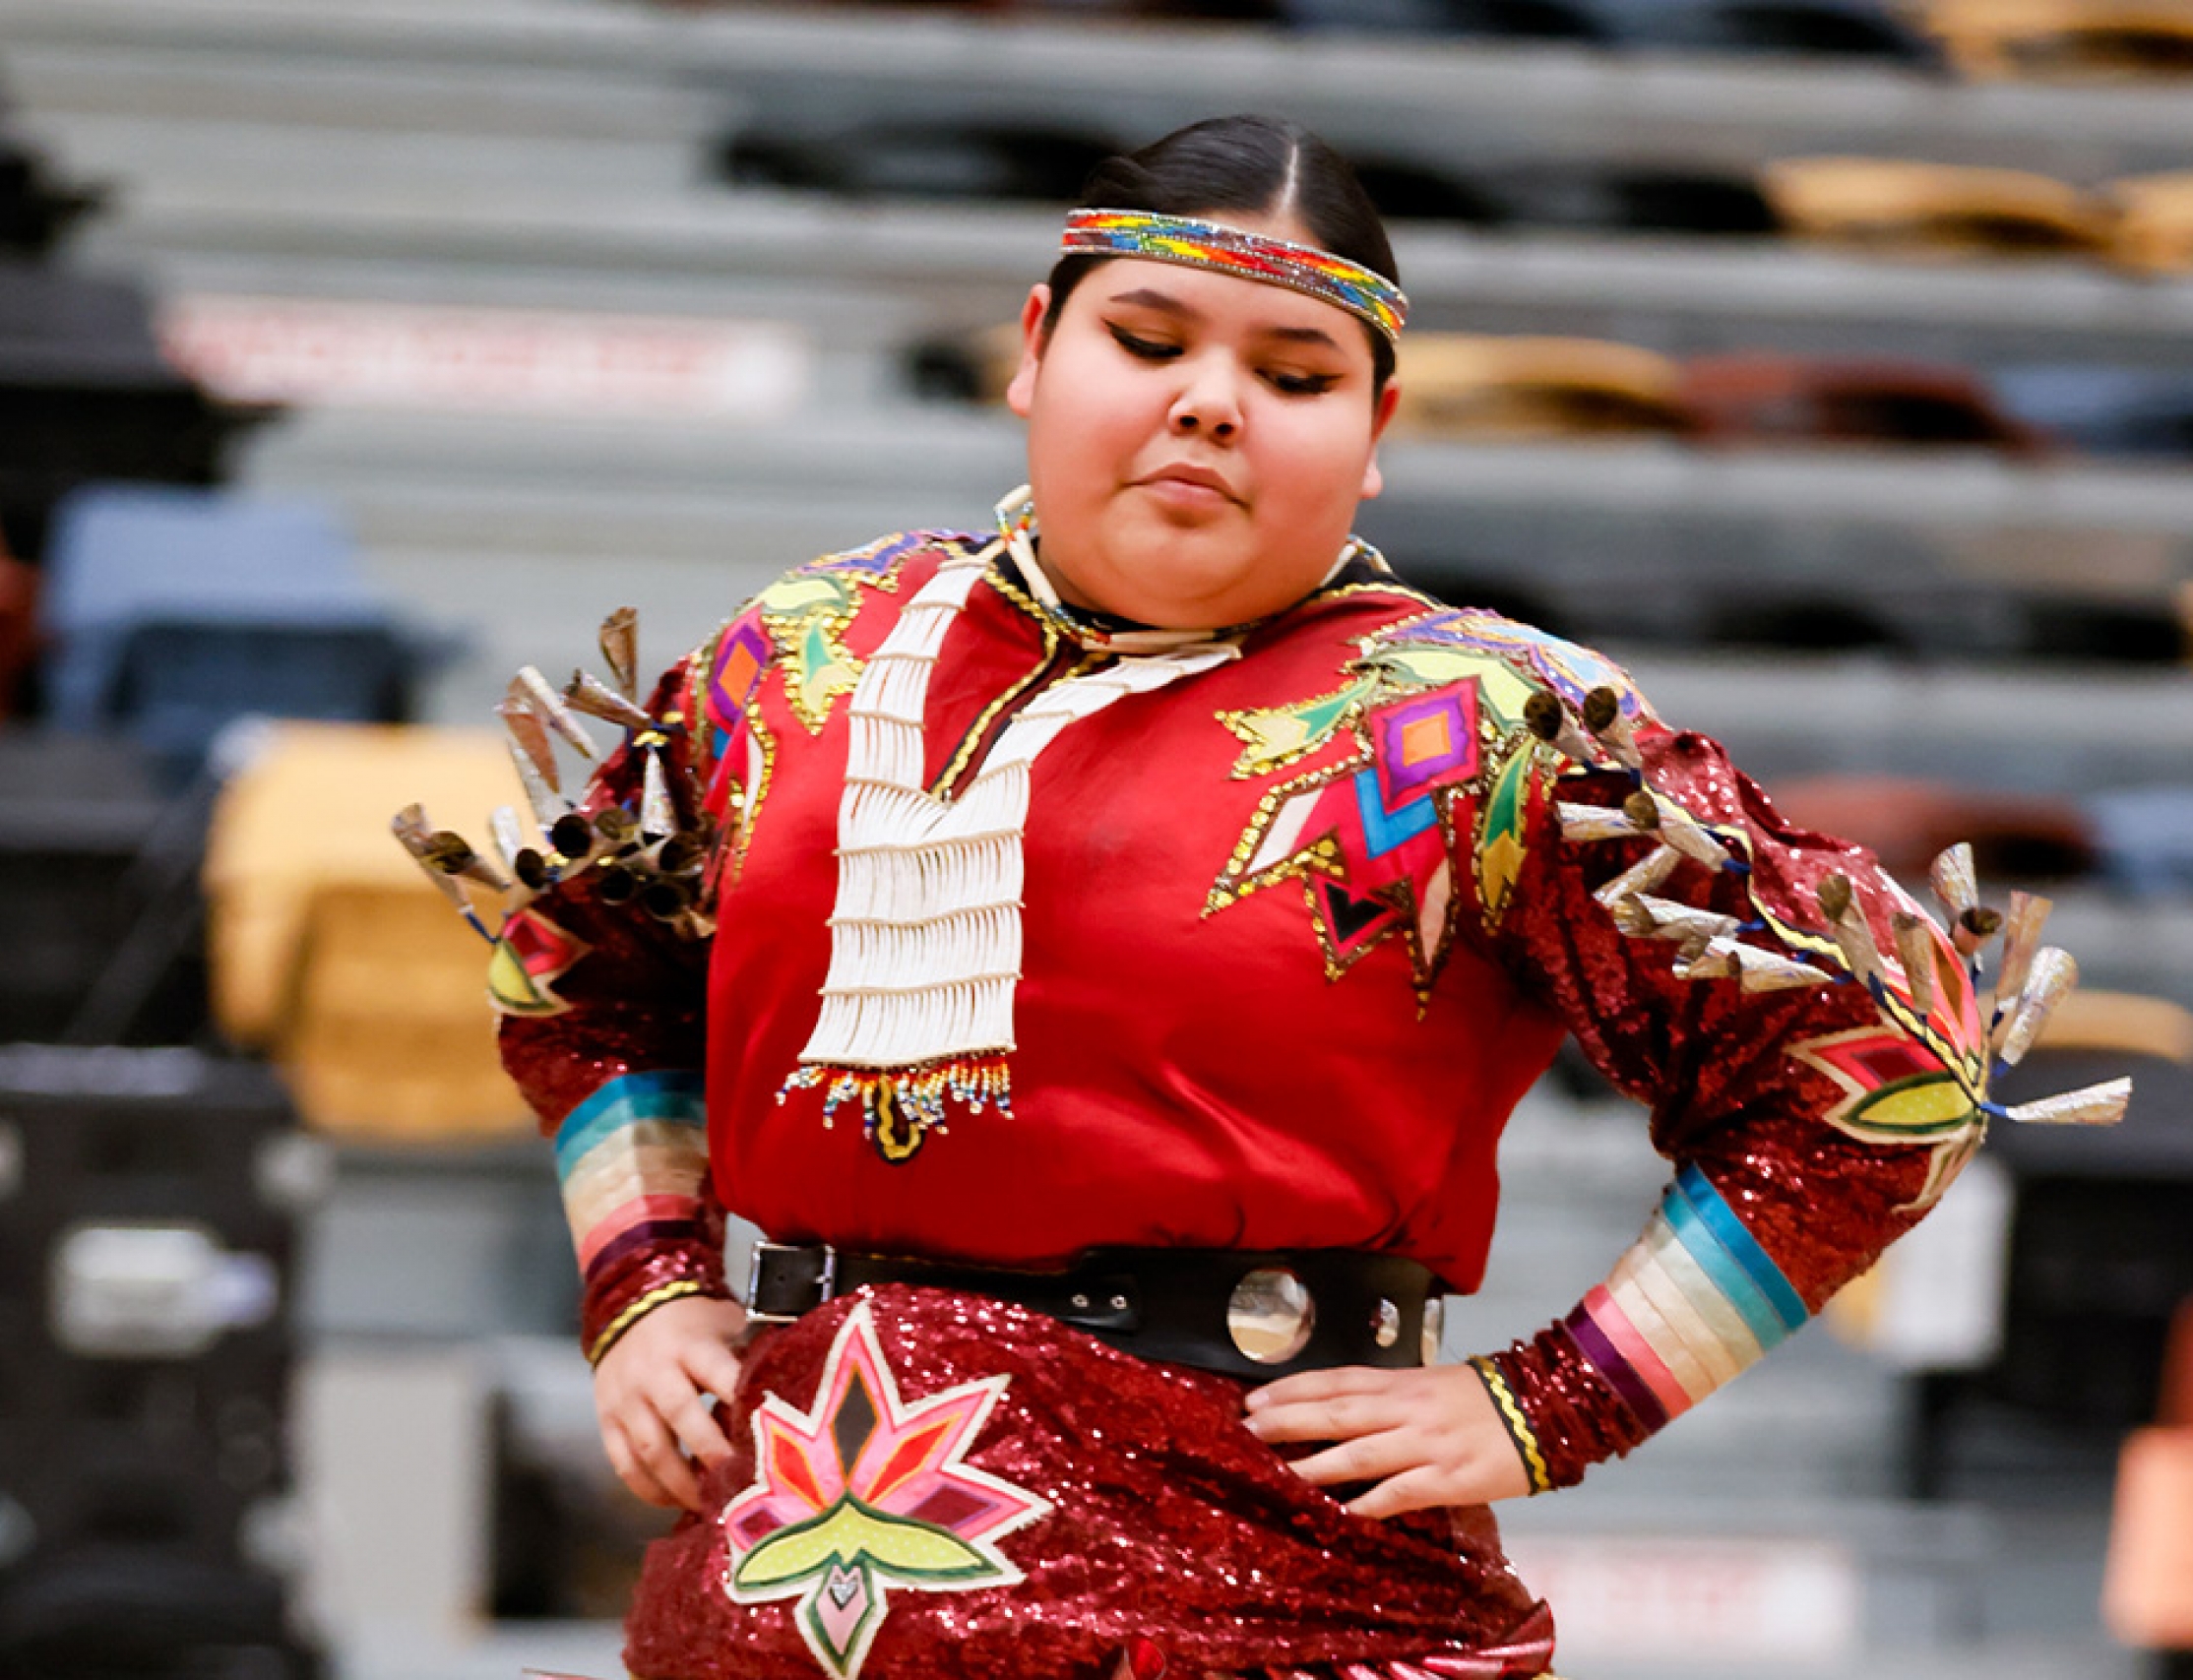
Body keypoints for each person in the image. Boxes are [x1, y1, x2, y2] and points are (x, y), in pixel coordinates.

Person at [483, 114, 2100, 1680]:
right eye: (1150, 338)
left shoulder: (1479, 725)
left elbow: (1887, 1063)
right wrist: (646, 1285)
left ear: (1378, 437)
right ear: (1032, 349)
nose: (1210, 405)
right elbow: (582, 965)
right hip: (770, 1593)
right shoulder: (803, 655)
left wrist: (1561, 1399)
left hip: (1273, 1608)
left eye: (1295, 373)